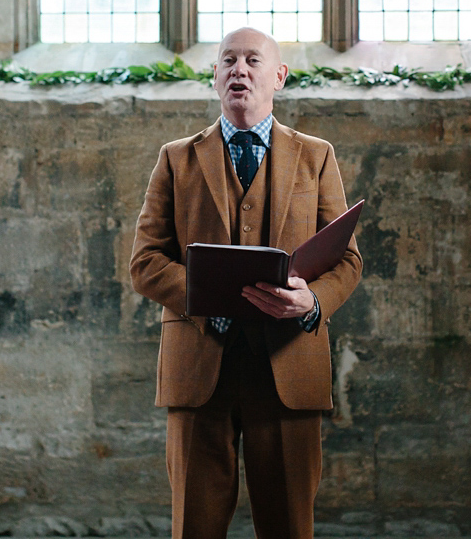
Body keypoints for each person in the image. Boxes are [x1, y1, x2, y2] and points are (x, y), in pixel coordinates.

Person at [130, 27, 363, 539]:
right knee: (194, 527)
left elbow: (346, 261)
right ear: (214, 77)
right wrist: (205, 293)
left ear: (278, 76)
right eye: (228, 60)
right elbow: (145, 262)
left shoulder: (316, 156)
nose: (239, 69)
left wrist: (311, 301)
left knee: (289, 528)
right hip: (199, 370)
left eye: (252, 60)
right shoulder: (176, 159)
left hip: (288, 368)